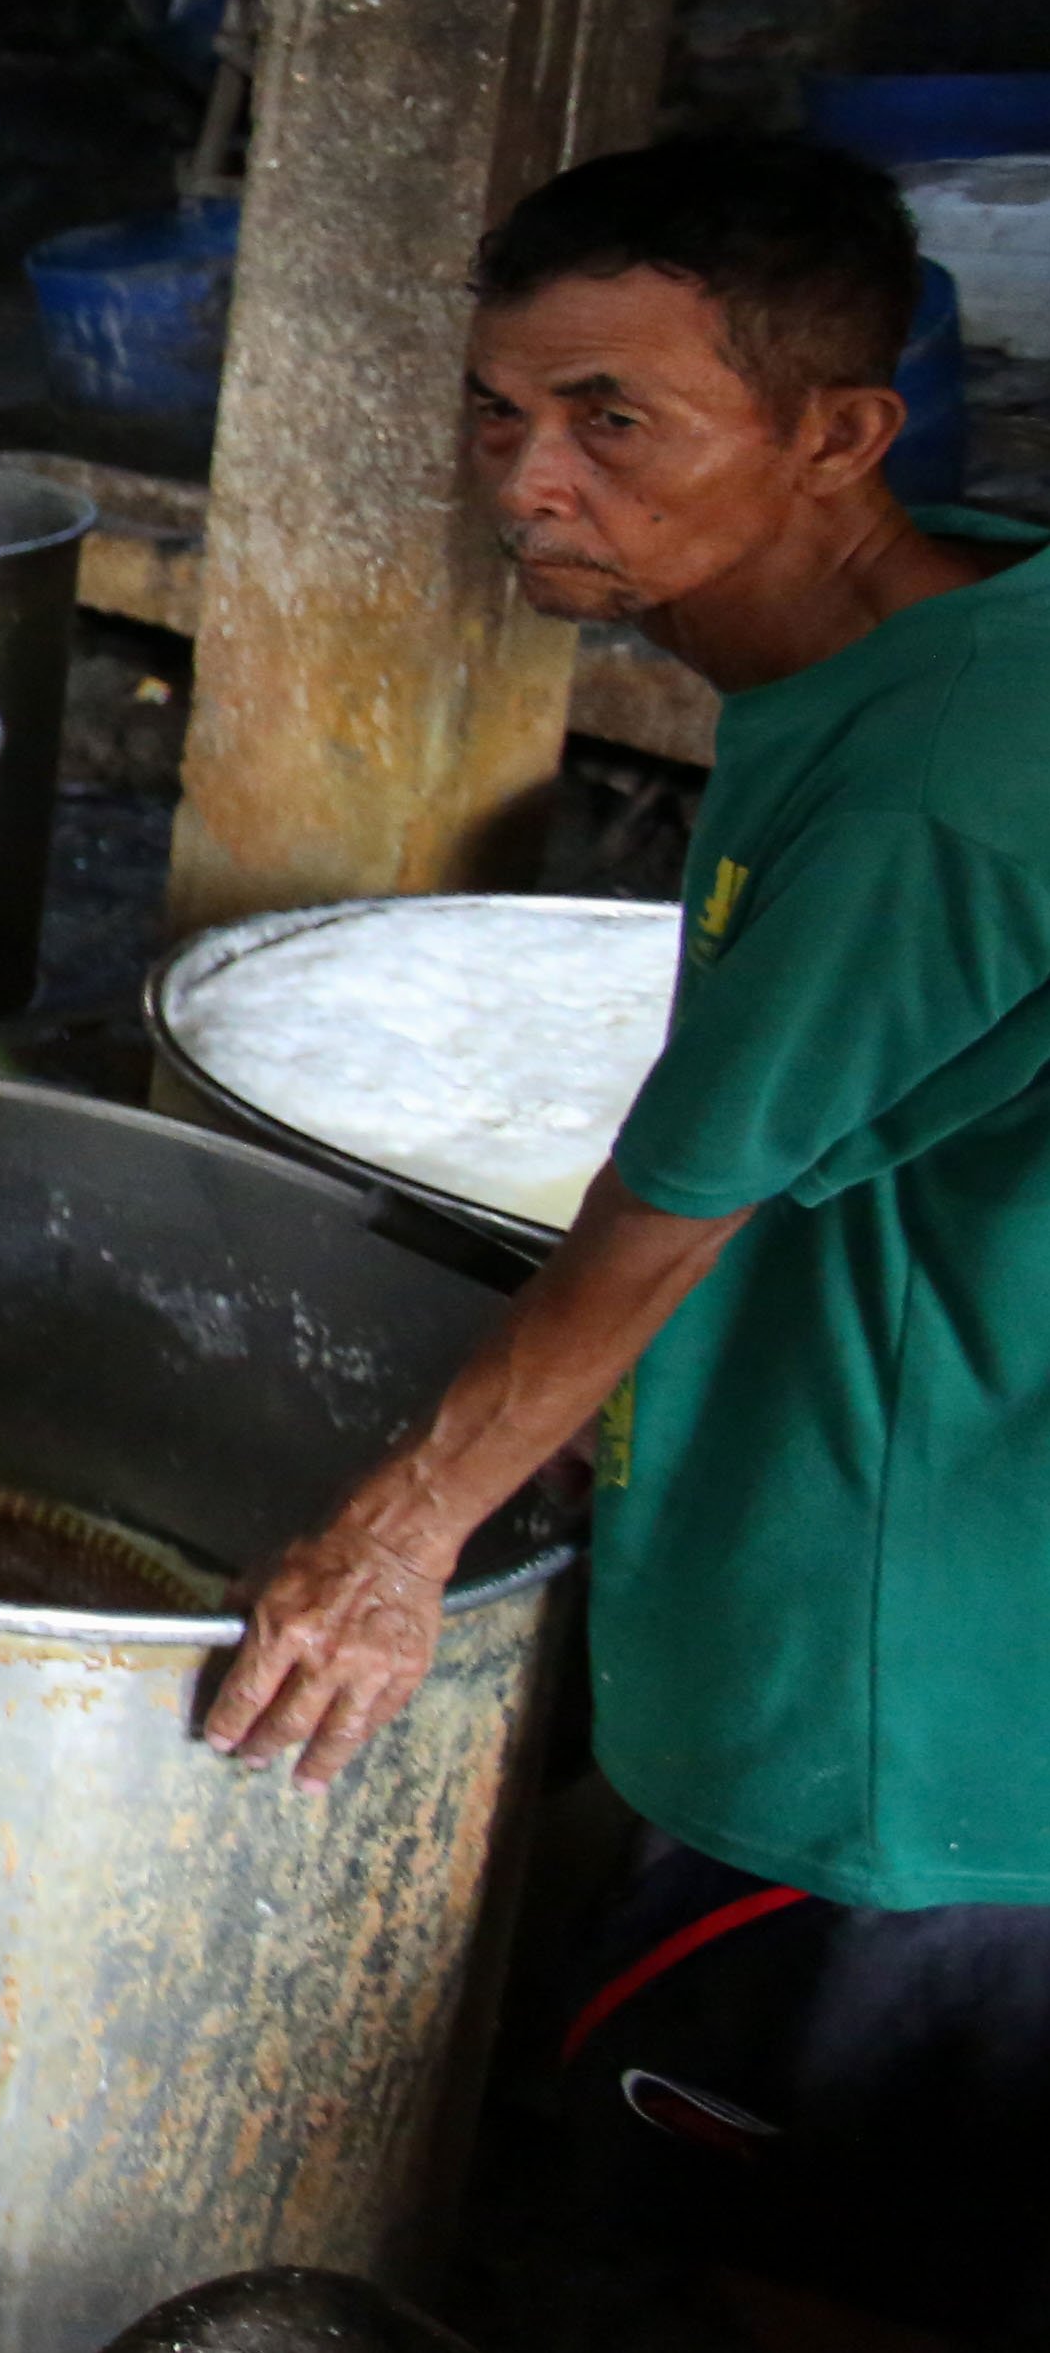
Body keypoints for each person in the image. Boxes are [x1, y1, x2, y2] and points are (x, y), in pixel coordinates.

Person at [208, 135, 1050, 2349]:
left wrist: (395, 1537)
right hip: (973, 1564)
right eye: (500, 409)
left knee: (820, 2252)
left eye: (613, 420)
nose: (527, 477)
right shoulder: (965, 629)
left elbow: (671, 1212)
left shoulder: (930, 789)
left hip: (895, 1699)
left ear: (837, 434)